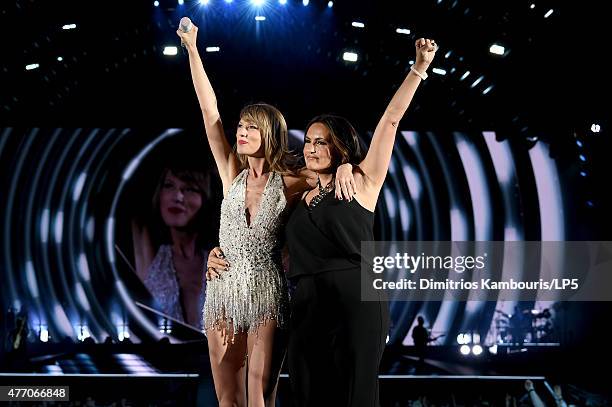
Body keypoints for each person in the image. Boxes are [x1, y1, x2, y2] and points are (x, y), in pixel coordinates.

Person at [176, 22, 355, 407]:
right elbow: (209, 111)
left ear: (270, 134)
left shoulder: (290, 181)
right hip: (222, 289)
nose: (240, 132)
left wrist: (346, 165)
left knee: (259, 392)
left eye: (250, 128)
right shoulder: (230, 174)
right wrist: (192, 48)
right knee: (227, 397)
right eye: (240, 126)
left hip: (268, 291)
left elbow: (338, 168)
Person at [285, 38, 438, 406]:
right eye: (308, 141)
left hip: (357, 297)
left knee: (357, 394)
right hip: (306, 302)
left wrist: (419, 68)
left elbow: (390, 120)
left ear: (339, 144)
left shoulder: (363, 180)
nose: (311, 147)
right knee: (306, 392)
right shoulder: (295, 190)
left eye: (321, 142)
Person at [132, 161, 212, 330]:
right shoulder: (150, 254)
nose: (178, 197)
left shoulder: (219, 258)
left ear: (205, 198)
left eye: (189, 189)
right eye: (169, 186)